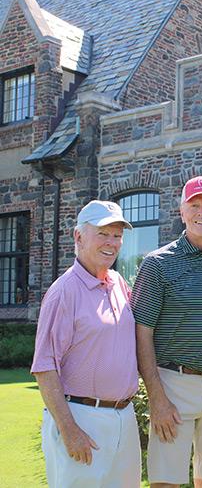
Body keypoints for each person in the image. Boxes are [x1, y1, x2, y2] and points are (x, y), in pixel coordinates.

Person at [131, 176, 202, 488]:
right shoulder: (157, 264)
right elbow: (142, 331)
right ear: (182, 212)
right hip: (173, 384)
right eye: (195, 205)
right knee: (165, 480)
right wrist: (156, 398)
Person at [31, 200, 140, 488]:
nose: (112, 243)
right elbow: (45, 367)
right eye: (103, 233)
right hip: (81, 420)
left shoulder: (118, 283)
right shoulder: (63, 293)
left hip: (124, 419)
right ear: (78, 237)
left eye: (117, 235)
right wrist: (69, 430)